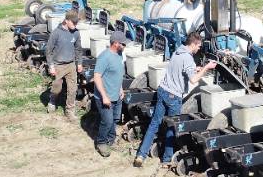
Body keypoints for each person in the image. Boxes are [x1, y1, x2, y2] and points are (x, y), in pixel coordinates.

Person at [134, 31, 216, 167]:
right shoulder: (188, 58)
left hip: (162, 91)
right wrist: (206, 68)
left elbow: (181, 68)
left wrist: (195, 68)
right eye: (199, 46)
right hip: (173, 96)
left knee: (154, 124)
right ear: (194, 44)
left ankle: (141, 155)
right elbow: (194, 80)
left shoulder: (178, 51)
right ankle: (166, 159)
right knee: (172, 127)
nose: (199, 49)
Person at [92, 30, 127, 157]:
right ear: (115, 43)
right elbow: (97, 77)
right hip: (105, 97)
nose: (124, 46)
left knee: (115, 120)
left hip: (116, 95)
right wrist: (104, 96)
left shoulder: (119, 54)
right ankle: (101, 143)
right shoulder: (104, 57)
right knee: (107, 121)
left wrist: (121, 88)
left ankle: (110, 140)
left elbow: (118, 73)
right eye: (123, 44)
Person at [45, 9, 83, 119]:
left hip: (71, 64)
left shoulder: (76, 33)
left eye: (77, 23)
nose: (75, 25)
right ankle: (52, 100)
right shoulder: (56, 33)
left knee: (72, 89)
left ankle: (70, 110)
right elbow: (48, 50)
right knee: (57, 87)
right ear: (66, 20)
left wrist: (79, 63)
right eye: (74, 23)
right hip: (58, 65)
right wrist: (51, 66)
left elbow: (78, 49)